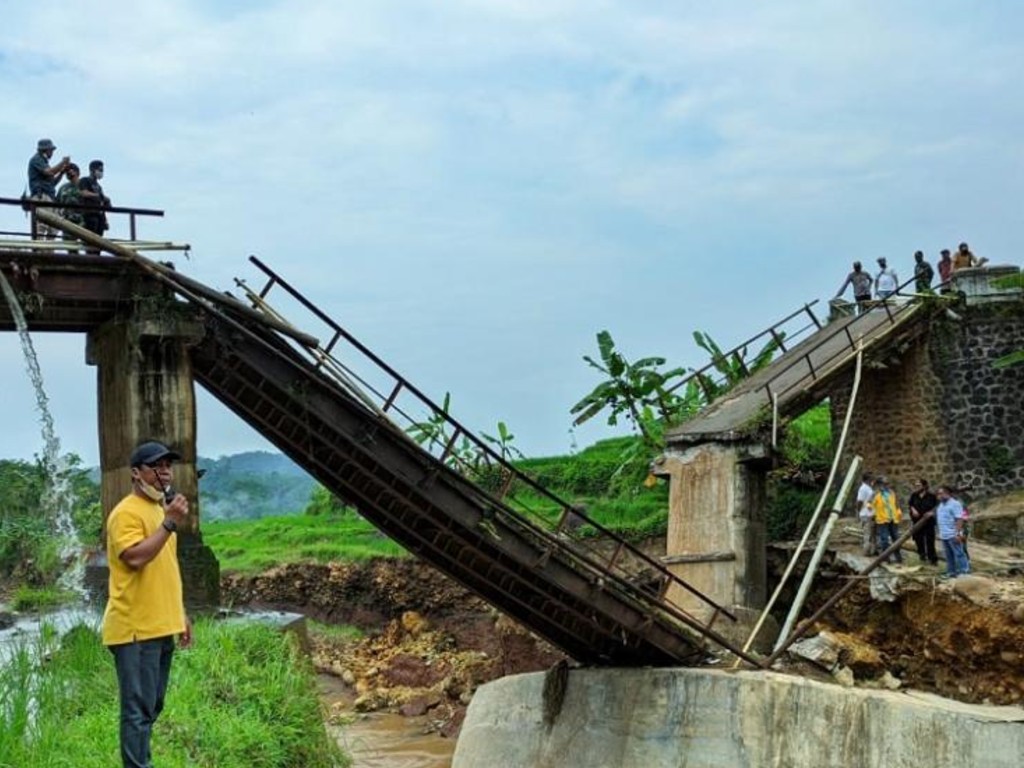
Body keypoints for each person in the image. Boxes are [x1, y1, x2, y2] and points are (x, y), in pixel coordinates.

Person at [102, 440, 192, 768]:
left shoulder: (157, 510)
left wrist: (179, 614)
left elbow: (165, 569)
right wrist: (169, 523)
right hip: (135, 629)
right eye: (156, 466)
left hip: (160, 625)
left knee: (151, 706)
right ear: (136, 473)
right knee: (138, 712)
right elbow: (136, 558)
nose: (164, 472)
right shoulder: (125, 513)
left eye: (168, 465)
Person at [26, 138, 71, 240]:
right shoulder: (37, 159)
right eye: (51, 150)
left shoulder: (44, 162)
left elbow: (52, 183)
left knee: (53, 228)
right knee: (41, 226)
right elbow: (49, 172)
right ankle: (39, 251)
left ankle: (47, 252)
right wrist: (62, 163)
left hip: (49, 197)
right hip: (41, 196)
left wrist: (62, 172)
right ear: (46, 150)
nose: (52, 152)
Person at [935, 485, 970, 579]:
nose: (939, 496)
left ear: (948, 493)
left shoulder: (955, 504)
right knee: (949, 556)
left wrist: (958, 534)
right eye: (938, 494)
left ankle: (964, 572)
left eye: (941, 493)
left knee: (959, 554)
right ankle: (951, 572)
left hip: (953, 534)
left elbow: (959, 519)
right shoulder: (941, 505)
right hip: (944, 535)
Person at [79, 159, 111, 248]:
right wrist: (97, 196)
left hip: (100, 217)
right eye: (100, 170)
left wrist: (105, 220)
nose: (101, 172)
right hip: (89, 215)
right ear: (93, 170)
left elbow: (101, 203)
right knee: (90, 242)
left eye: (102, 170)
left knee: (99, 244)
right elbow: (83, 193)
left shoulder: (99, 187)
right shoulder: (85, 180)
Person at [872, 475, 903, 563]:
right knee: (884, 539)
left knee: (896, 538)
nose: (887, 485)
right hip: (882, 519)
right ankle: (886, 557)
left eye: (887, 483)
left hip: (893, 518)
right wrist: (873, 514)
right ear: (879, 484)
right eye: (885, 483)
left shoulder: (891, 492)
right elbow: (870, 505)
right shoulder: (875, 494)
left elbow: (896, 503)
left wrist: (898, 511)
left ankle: (898, 556)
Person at [907, 478, 938, 565]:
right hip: (917, 521)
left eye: (918, 485)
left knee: (930, 541)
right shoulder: (914, 495)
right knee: (918, 539)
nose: (916, 487)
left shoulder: (931, 496)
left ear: (924, 486)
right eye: (915, 485)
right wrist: (913, 510)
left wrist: (931, 512)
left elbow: (936, 507)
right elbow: (910, 505)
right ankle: (922, 556)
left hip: (928, 522)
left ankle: (932, 559)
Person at [56, 163, 85, 254]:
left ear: (77, 172)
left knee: (89, 244)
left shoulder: (85, 185)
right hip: (67, 220)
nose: (69, 173)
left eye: (71, 170)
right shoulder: (63, 188)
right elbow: (56, 203)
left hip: (83, 221)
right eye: (67, 171)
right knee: (70, 247)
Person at [856, 472, 876, 556]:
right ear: (868, 479)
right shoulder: (863, 488)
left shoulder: (868, 488)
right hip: (865, 513)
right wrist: (858, 510)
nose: (873, 481)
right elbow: (860, 501)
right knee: (867, 533)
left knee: (871, 533)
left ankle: (872, 550)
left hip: (870, 513)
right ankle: (867, 551)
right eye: (871, 479)